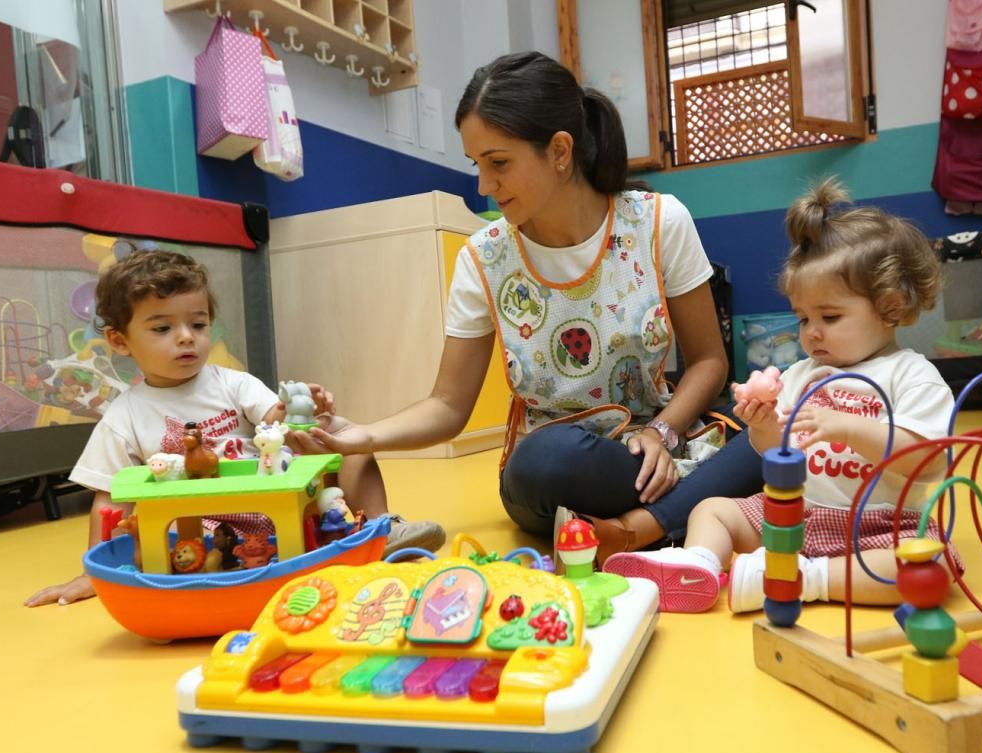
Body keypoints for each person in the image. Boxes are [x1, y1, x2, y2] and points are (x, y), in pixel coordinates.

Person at [288, 52, 762, 561]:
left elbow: (710, 361)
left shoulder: (659, 221)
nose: (483, 186)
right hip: (554, 472)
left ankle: (634, 530)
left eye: (498, 164)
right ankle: (691, 508)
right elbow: (448, 405)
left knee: (785, 418)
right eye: (477, 165)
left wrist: (662, 433)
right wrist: (362, 435)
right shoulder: (484, 258)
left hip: (654, 446)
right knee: (547, 460)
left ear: (559, 151)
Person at [604, 178, 960, 612]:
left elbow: (929, 460)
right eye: (803, 317)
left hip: (882, 527)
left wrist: (850, 427)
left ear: (890, 307)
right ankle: (696, 565)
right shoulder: (799, 374)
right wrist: (763, 425)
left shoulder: (911, 376)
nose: (811, 331)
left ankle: (804, 578)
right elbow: (776, 455)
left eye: (830, 316)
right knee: (712, 510)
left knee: (931, 570)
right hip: (797, 515)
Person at [24, 250, 443, 607]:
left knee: (344, 433)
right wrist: (93, 572)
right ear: (119, 341)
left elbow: (278, 423)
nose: (186, 338)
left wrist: (304, 410)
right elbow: (109, 501)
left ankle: (382, 530)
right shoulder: (124, 417)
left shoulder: (232, 382)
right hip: (204, 532)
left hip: (280, 504)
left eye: (198, 324)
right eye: (162, 328)